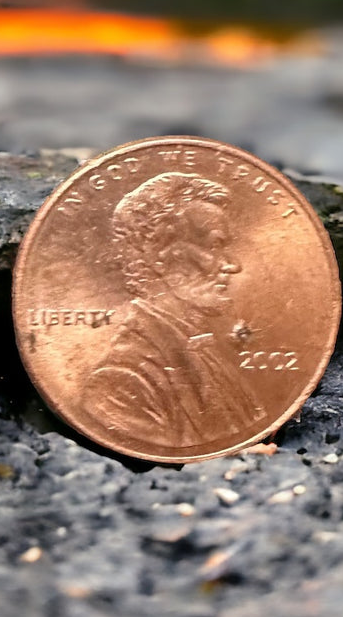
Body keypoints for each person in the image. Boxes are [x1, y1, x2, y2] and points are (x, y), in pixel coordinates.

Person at [84, 171, 263, 449]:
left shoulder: (208, 350)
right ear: (157, 254)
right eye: (214, 245)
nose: (232, 265)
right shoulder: (121, 382)